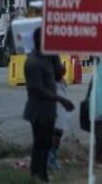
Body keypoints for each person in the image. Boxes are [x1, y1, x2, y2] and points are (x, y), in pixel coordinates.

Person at [24, 27, 74, 182]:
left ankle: (42, 174)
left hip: (49, 109)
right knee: (39, 144)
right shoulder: (33, 62)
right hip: (38, 110)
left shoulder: (47, 58)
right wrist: (61, 100)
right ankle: (36, 174)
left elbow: (57, 74)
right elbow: (35, 89)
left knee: (45, 144)